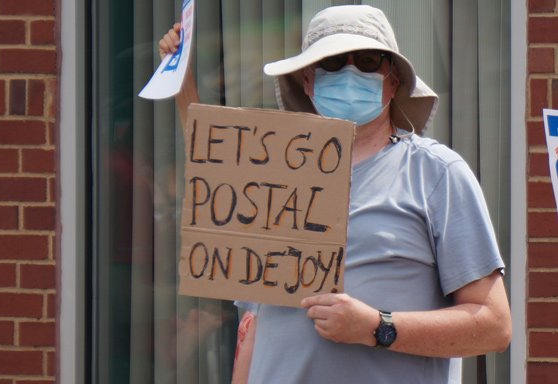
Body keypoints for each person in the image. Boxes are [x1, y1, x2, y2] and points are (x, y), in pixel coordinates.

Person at [158, 5, 511, 383]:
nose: (349, 71)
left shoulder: (435, 174)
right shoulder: (273, 177)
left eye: (367, 60)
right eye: (332, 62)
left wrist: (377, 327)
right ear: (308, 81)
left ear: (393, 81)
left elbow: (493, 325)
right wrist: (182, 79)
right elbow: (256, 323)